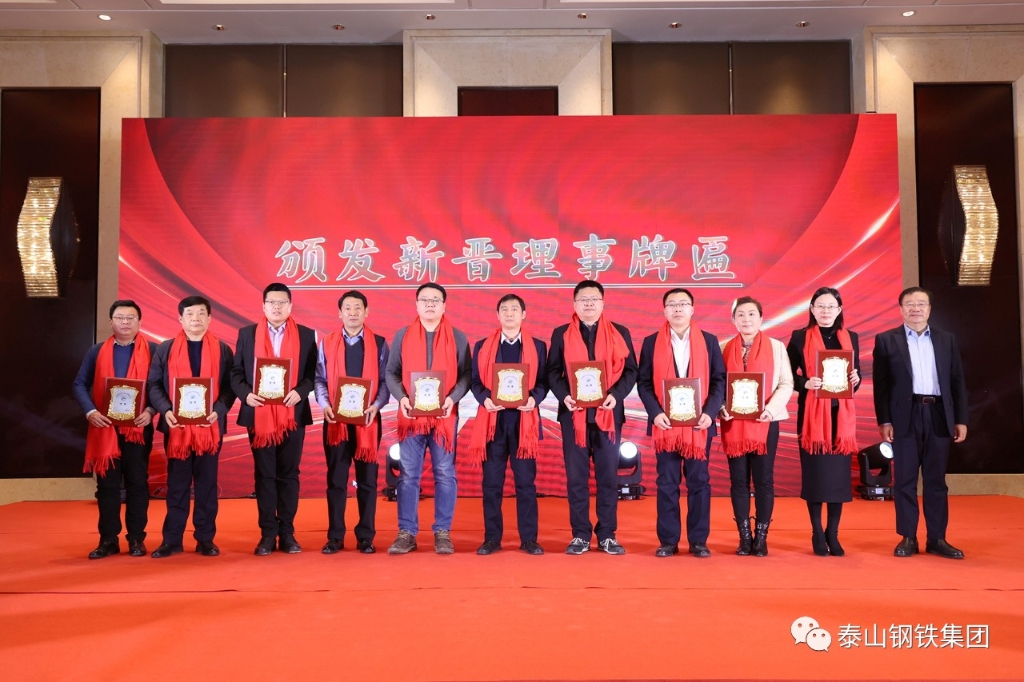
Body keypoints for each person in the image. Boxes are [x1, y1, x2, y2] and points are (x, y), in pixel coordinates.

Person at [873, 287, 969, 559]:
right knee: (904, 480)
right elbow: (881, 386)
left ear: (929, 309)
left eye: (921, 304)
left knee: (936, 480)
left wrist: (960, 419)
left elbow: (957, 381)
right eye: (910, 304)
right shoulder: (886, 340)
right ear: (901, 309)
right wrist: (885, 420)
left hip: (939, 414)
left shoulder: (946, 339)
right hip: (905, 415)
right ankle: (908, 537)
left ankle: (937, 538)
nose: (915, 308)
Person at [546, 280, 638, 555]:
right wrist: (564, 396)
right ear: (574, 304)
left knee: (607, 477)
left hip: (608, 413)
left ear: (602, 303)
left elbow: (631, 371)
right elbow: (552, 371)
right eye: (583, 299)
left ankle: (607, 534)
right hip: (573, 415)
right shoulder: (561, 334)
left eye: (594, 299)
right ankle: (580, 535)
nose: (588, 303)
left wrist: (616, 395)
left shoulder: (620, 332)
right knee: (576, 478)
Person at [230, 283, 318, 556]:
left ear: (290, 306)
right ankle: (268, 534)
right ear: (263, 306)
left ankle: (287, 533)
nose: (277, 307)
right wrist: (246, 395)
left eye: (282, 302)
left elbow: (312, 373)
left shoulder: (305, 335)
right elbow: (236, 372)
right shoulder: (247, 334)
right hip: (259, 414)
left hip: (293, 413)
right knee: (265, 474)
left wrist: (300, 392)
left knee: (289, 474)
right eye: (272, 302)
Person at [384, 283, 472, 554]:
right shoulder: (402, 336)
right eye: (425, 299)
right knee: (408, 475)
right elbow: (391, 373)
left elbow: (466, 375)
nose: (430, 304)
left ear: (444, 305)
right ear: (416, 305)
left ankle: (442, 532)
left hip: (444, 416)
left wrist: (452, 398)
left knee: (445, 473)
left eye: (436, 300)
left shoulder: (457, 337)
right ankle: (406, 533)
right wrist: (402, 398)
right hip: (411, 416)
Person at [637, 288, 726, 558]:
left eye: (683, 304)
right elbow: (644, 383)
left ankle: (698, 541)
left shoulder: (709, 341)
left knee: (699, 482)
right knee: (667, 482)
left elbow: (719, 380)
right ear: (664, 310)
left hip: (699, 425)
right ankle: (668, 541)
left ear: (692, 309)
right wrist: (655, 413)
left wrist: (710, 412)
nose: (678, 309)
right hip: (665, 424)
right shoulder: (651, 342)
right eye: (672, 304)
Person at [147, 295, 236, 558]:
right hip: (177, 428)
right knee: (177, 484)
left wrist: (218, 410)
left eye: (200, 314)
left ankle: (205, 539)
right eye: (190, 314)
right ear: (180, 318)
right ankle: (172, 540)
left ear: (209, 318)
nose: (195, 319)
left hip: (210, 428)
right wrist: (166, 410)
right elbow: (154, 384)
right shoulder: (165, 349)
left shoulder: (223, 350)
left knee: (207, 486)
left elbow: (230, 387)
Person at [73, 300, 157, 559]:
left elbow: (160, 386)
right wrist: (91, 412)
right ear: (111, 322)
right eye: (120, 317)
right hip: (105, 428)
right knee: (107, 486)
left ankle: (136, 538)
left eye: (131, 318)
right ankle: (108, 540)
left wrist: (150, 410)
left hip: (138, 428)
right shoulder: (97, 351)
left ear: (139, 322)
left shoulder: (153, 350)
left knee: (137, 483)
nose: (125, 322)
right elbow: (79, 383)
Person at [468, 293, 548, 555]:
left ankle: (529, 539)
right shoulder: (482, 346)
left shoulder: (538, 346)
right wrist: (485, 399)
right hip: (493, 422)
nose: (510, 313)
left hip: (524, 423)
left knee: (526, 483)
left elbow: (543, 382)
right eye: (504, 309)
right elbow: (475, 382)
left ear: (524, 314)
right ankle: (492, 538)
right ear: (497, 315)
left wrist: (535, 399)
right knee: (491, 484)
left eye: (515, 309)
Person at [314, 290, 390, 555]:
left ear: (366, 312)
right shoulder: (327, 343)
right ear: (339, 313)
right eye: (347, 308)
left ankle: (366, 536)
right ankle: (335, 536)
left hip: (368, 420)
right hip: (336, 421)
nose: (353, 312)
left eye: (358, 307)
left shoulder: (379, 343)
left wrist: (376, 406)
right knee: (336, 480)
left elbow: (384, 381)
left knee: (367, 481)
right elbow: (320, 379)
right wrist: (325, 405)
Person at [787, 287, 861, 557]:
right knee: (816, 476)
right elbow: (787, 375)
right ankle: (817, 532)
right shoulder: (799, 337)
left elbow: (855, 376)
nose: (826, 311)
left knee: (838, 478)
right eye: (820, 306)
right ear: (812, 309)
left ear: (839, 310)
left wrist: (856, 380)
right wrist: (805, 383)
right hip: (812, 418)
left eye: (831, 306)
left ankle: (833, 532)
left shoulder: (851, 337)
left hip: (841, 418)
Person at [719, 296, 794, 557]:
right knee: (738, 480)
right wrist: (721, 408)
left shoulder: (776, 347)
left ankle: (761, 537)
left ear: (761, 318)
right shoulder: (723, 348)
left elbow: (786, 383)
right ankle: (744, 537)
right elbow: (716, 385)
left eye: (752, 314)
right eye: (741, 314)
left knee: (763, 480)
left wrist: (771, 409)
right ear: (733, 319)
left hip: (766, 421)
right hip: (733, 423)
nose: (746, 319)